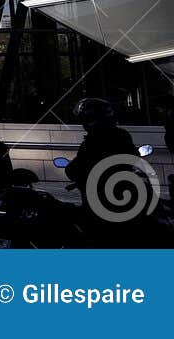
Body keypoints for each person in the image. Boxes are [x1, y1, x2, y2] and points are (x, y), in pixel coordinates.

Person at [65, 97, 149, 242]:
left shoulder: (92, 143)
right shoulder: (121, 135)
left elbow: (77, 168)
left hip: (101, 200)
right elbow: (132, 156)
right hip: (122, 195)